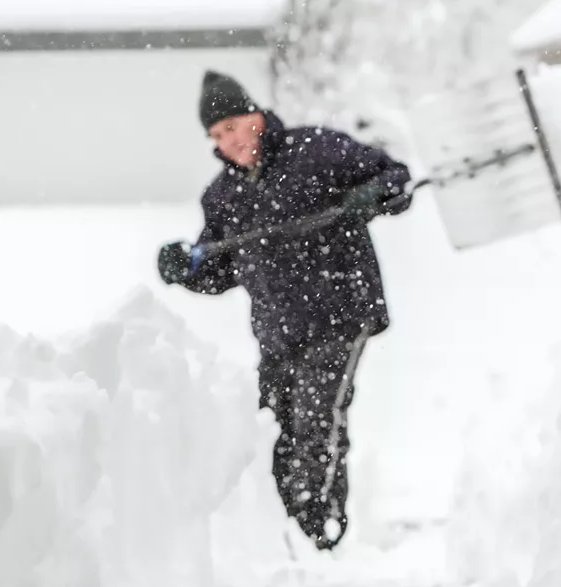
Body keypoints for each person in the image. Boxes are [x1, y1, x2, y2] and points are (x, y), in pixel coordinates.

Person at [157, 70, 412, 551]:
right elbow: (218, 269)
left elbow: (395, 178)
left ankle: (321, 522)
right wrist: (184, 267)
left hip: (340, 310)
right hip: (279, 330)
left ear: (255, 115)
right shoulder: (223, 196)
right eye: (216, 135)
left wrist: (371, 196)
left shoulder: (317, 150)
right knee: (276, 422)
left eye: (232, 127)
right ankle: (286, 528)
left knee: (318, 415)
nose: (227, 142)